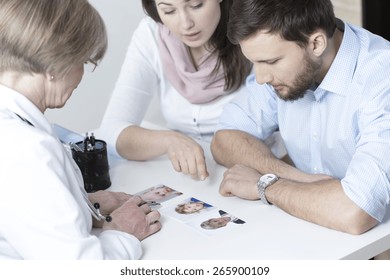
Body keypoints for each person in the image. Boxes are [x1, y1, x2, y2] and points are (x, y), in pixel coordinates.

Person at [211, 0, 390, 237]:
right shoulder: (282, 60)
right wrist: (297, 178)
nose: (261, 77)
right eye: (255, 62)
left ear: (316, 43)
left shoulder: (381, 78)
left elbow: (355, 212)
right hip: (313, 228)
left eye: (271, 62)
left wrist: (264, 185)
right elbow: (225, 138)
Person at [0, 0, 161, 260]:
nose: (81, 76)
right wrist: (122, 232)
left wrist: (83, 204)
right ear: (53, 66)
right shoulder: (26, 151)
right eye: (84, 62)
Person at [99, 0, 252, 181]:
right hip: (185, 177)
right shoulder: (152, 33)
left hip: (248, 171)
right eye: (169, 11)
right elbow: (111, 130)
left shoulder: (253, 26)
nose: (186, 24)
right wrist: (170, 141)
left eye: (196, 5)